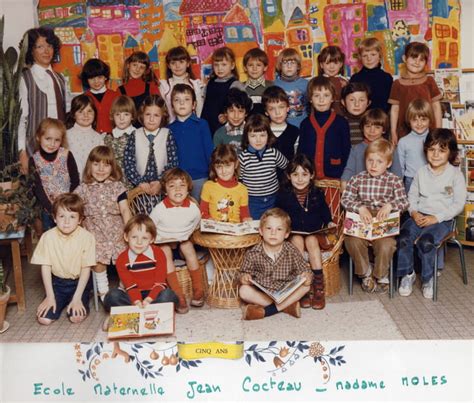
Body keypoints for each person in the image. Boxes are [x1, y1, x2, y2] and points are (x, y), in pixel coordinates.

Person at [397, 129, 466, 299]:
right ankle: (408, 274)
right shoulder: (421, 172)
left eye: (441, 151)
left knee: (426, 243)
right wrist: (413, 212)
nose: (435, 155)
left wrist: (436, 217)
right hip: (419, 215)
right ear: (426, 149)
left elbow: (458, 204)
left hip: (442, 220)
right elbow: (411, 196)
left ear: (450, 153)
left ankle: (428, 279)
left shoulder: (456, 175)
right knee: (404, 237)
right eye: (431, 149)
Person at [342, 138, 409, 293]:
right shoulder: (357, 179)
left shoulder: (394, 180)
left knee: (386, 245)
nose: (373, 165)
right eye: (370, 160)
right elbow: (345, 198)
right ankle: (365, 273)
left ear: (388, 163)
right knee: (351, 241)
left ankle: (380, 274)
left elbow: (404, 202)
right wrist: (359, 207)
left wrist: (390, 205)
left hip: (383, 219)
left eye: (379, 162)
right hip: (362, 218)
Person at [75, 146, 131, 300]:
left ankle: (123, 288)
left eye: (106, 165)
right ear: (89, 166)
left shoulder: (117, 187)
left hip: (117, 230)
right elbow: (74, 209)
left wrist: (129, 231)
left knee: (126, 255)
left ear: (112, 168)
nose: (101, 169)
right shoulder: (83, 189)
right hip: (94, 232)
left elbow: (125, 210)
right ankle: (103, 291)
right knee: (98, 258)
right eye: (96, 164)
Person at [276, 154, 332, 310]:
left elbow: (325, 212)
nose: (300, 179)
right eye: (295, 174)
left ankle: (318, 287)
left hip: (314, 233)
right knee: (298, 240)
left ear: (311, 175)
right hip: (294, 234)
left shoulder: (317, 193)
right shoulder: (283, 195)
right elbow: (278, 215)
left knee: (311, 240)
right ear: (288, 176)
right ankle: (303, 286)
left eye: (304, 174)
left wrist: (329, 221)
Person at [31, 193, 96, 325]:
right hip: (57, 284)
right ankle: (61, 299)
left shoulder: (87, 237)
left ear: (80, 220)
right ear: (54, 218)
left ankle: (82, 296)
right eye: (62, 216)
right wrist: (50, 296)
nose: (66, 221)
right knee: (44, 319)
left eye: (72, 217)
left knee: (75, 318)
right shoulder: (47, 237)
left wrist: (77, 298)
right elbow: (45, 266)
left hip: (79, 283)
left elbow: (86, 269)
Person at [239, 208, 312, 320]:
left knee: (306, 286)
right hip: (264, 292)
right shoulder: (253, 252)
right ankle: (287, 306)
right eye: (269, 228)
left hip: (285, 292)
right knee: (243, 290)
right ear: (261, 231)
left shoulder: (291, 250)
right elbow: (243, 272)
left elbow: (303, 268)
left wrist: (307, 276)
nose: (273, 233)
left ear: (286, 234)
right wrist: (244, 277)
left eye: (279, 229)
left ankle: (267, 311)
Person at [103, 214, 180, 320]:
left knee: (169, 295)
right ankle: (145, 313)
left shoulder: (159, 253)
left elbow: (160, 283)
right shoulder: (122, 259)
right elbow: (130, 286)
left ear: (152, 239)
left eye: (144, 238)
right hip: (132, 295)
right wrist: (137, 302)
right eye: (134, 237)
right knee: (112, 296)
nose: (139, 242)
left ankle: (134, 314)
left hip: (154, 293)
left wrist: (148, 300)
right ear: (126, 237)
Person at [149, 168, 202, 312]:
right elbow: (150, 228)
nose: (177, 189)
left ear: (188, 189)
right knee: (165, 251)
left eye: (182, 185)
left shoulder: (193, 208)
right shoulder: (159, 210)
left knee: (188, 247)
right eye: (172, 186)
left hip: (182, 242)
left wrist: (186, 236)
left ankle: (198, 289)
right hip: (163, 242)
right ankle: (179, 295)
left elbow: (196, 224)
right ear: (165, 190)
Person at [18, 27, 66, 173]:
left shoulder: (60, 79)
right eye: (40, 46)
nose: (46, 51)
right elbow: (21, 120)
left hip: (59, 151)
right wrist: (22, 153)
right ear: (31, 51)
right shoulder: (24, 79)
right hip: (34, 150)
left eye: (49, 46)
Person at [123, 94, 178, 202]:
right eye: (148, 114)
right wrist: (139, 182)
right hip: (140, 190)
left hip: (161, 189)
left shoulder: (167, 134)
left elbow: (173, 162)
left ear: (163, 117)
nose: (151, 119)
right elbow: (128, 163)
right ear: (142, 115)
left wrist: (161, 181)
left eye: (156, 115)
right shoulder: (135, 135)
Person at [30, 118, 80, 230]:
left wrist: (68, 203)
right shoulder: (34, 160)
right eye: (48, 139)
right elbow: (37, 188)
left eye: (57, 140)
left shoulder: (66, 155)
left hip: (68, 209)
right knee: (51, 240)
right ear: (39, 137)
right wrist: (51, 208)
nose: (52, 144)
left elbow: (75, 181)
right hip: (48, 210)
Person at [297, 76, 351, 180]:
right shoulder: (305, 124)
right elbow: (301, 153)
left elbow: (347, 151)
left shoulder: (341, 122)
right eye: (316, 95)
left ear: (333, 98)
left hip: (335, 175)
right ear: (310, 99)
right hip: (310, 178)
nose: (321, 100)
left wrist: (345, 176)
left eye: (326, 95)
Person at [389, 42, 442, 145]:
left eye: (421, 59)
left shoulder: (429, 81)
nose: (417, 62)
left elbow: (436, 107)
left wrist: (439, 130)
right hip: (404, 132)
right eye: (413, 58)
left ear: (426, 62)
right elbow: (395, 109)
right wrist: (393, 131)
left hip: (428, 132)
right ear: (405, 58)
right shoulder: (397, 84)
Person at [168, 84, 214, 201]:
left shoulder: (202, 124)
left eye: (186, 100)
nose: (182, 103)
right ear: (172, 106)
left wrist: (212, 174)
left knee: (200, 211)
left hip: (200, 177)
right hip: (178, 180)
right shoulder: (169, 129)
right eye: (177, 100)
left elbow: (209, 151)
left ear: (194, 104)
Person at [239, 114, 288, 219]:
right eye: (253, 136)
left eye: (262, 135)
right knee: (254, 226)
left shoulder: (273, 153)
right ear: (247, 137)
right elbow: (239, 180)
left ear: (268, 136)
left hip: (273, 198)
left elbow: (288, 167)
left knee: (272, 223)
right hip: (252, 201)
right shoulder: (243, 157)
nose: (258, 140)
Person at [341, 108, 402, 191]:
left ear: (383, 130)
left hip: (383, 192)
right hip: (360, 192)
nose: (371, 131)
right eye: (368, 126)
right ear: (362, 128)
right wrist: (345, 185)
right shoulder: (356, 149)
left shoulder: (390, 148)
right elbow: (349, 170)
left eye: (377, 127)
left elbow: (397, 174)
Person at [200, 144, 251, 223]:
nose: (224, 171)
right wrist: (208, 219)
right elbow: (202, 212)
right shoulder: (208, 186)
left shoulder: (243, 189)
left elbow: (245, 215)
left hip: (235, 232)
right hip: (214, 231)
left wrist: (246, 219)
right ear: (214, 167)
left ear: (236, 164)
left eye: (228, 166)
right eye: (219, 167)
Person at [201, 47, 245, 134]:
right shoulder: (210, 82)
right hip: (206, 125)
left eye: (224, 65)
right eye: (216, 65)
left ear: (232, 65)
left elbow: (246, 105)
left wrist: (228, 116)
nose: (220, 68)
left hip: (223, 128)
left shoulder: (235, 84)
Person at [397, 98, 434, 193]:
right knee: (411, 207)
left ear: (430, 120)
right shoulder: (403, 141)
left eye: (423, 119)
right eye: (415, 120)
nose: (419, 123)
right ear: (409, 121)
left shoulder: (435, 139)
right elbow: (400, 166)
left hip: (432, 178)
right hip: (411, 180)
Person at [160, 46, 204, 122]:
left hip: (192, 126)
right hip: (170, 128)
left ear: (188, 63)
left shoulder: (196, 85)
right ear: (168, 65)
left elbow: (199, 109)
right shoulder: (164, 86)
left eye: (181, 62)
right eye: (173, 63)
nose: (177, 66)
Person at [349, 37, 393, 113]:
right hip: (361, 119)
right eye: (365, 56)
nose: (369, 59)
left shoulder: (387, 78)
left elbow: (390, 104)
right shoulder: (355, 79)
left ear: (380, 56)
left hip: (382, 119)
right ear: (360, 57)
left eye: (373, 54)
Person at [65, 94, 104, 179]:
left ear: (95, 113)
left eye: (89, 111)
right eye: (81, 111)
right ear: (73, 114)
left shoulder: (98, 138)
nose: (86, 115)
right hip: (70, 180)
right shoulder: (66, 135)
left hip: (91, 181)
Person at [103, 95, 137, 188]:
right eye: (118, 114)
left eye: (126, 114)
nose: (121, 118)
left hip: (134, 183)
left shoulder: (138, 135)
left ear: (132, 116)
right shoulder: (107, 137)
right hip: (114, 183)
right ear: (112, 116)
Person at [80, 58, 119, 134]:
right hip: (91, 138)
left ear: (105, 77)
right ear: (86, 80)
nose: (96, 81)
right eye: (92, 78)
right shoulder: (83, 99)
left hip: (113, 138)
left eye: (99, 77)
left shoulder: (116, 96)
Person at [262, 86, 299, 163]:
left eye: (281, 107)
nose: (277, 113)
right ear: (266, 112)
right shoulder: (262, 131)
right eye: (272, 109)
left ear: (288, 108)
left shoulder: (295, 132)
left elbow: (297, 160)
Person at [273, 48, 308, 127]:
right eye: (285, 63)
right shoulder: (274, 85)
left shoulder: (306, 84)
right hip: (281, 126)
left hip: (303, 125)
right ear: (280, 66)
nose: (289, 66)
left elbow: (310, 106)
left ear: (298, 66)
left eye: (292, 62)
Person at [213, 88, 252, 153]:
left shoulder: (252, 131)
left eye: (240, 111)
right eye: (231, 111)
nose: (236, 116)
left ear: (246, 113)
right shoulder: (219, 134)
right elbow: (216, 159)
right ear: (225, 112)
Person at [317, 45, 348, 115]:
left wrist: (346, 88)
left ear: (341, 64)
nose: (332, 67)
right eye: (327, 63)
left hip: (341, 116)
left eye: (335, 63)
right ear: (321, 65)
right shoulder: (317, 82)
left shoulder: (345, 81)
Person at [242, 47, 273, 116]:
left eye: (258, 65)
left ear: (265, 67)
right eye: (250, 65)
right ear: (245, 68)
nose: (254, 68)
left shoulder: (271, 86)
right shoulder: (240, 87)